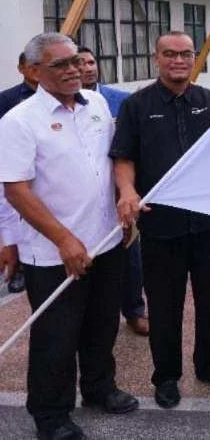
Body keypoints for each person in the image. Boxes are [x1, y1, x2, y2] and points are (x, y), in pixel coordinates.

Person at [1, 33, 138, 440]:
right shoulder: (18, 121)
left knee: (101, 324)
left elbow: (113, 161)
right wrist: (63, 239)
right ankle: (50, 414)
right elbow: (16, 189)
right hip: (53, 251)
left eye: (76, 61)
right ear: (32, 71)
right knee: (56, 336)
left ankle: (99, 388)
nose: (73, 70)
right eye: (59, 64)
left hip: (106, 240)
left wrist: (124, 202)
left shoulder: (96, 104)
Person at [111, 31, 210, 409]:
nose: (178, 61)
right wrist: (127, 191)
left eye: (186, 54)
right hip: (160, 224)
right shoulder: (137, 105)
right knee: (165, 305)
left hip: (205, 221)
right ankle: (166, 376)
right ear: (157, 58)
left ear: (195, 59)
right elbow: (123, 157)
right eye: (170, 54)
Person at [75, 46, 150, 338]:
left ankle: (135, 310)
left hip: (118, 189)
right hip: (79, 197)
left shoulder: (120, 100)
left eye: (92, 62)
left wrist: (129, 188)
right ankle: (87, 316)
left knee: (129, 254)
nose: (88, 68)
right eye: (80, 63)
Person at [0, 52, 37, 296]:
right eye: (31, 66)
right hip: (18, 171)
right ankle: (20, 267)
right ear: (21, 68)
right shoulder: (7, 100)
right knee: (16, 218)